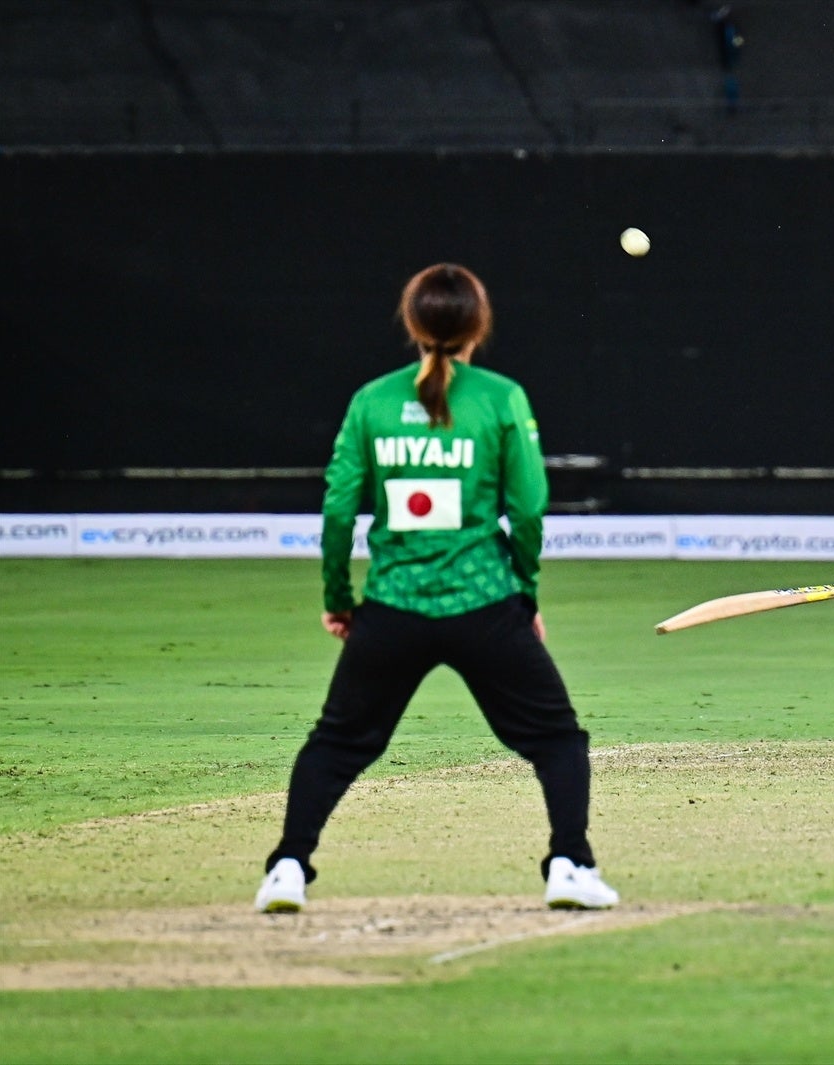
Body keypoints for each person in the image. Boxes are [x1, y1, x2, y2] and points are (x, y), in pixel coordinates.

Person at [255, 263, 618, 913]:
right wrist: (524, 596)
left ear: (413, 324)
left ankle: (286, 867)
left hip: (393, 607)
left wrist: (340, 598)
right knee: (557, 738)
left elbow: (340, 511)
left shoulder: (371, 401)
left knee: (337, 744)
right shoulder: (502, 397)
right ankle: (570, 863)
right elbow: (530, 510)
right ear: (479, 325)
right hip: (485, 606)